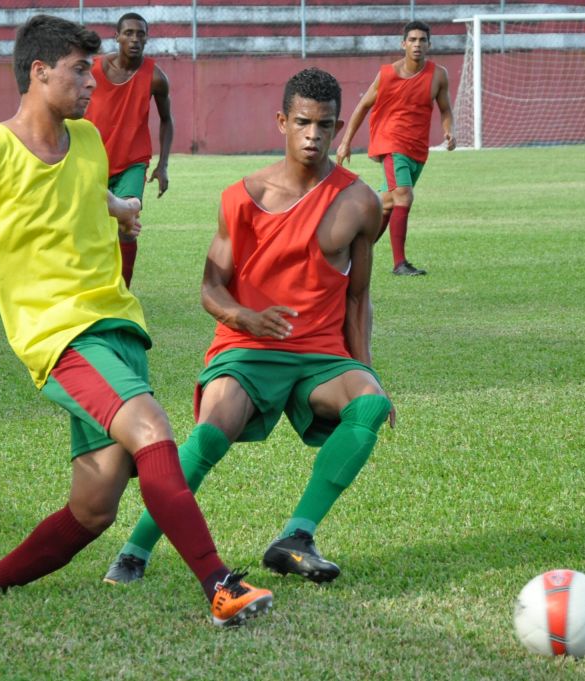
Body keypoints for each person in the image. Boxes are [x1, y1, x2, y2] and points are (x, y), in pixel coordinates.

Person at [0, 14, 271, 627]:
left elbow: (91, 192)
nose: (92, 82)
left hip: (117, 324)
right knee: (152, 429)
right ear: (38, 72)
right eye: (78, 70)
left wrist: (122, 210)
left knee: (93, 509)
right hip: (59, 335)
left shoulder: (86, 140)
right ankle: (219, 585)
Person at [103, 68, 394, 587]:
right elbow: (211, 288)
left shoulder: (361, 202)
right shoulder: (242, 196)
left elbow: (359, 296)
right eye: (302, 122)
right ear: (282, 121)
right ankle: (134, 550)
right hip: (245, 347)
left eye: (325, 125)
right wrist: (245, 317)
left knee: (369, 403)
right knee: (210, 436)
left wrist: (365, 370)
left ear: (338, 126)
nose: (313, 135)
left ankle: (296, 537)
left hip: (321, 356)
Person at [336, 20, 455, 277]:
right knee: (404, 196)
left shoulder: (438, 75)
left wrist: (449, 130)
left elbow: (445, 109)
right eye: (412, 40)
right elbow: (363, 106)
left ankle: (350, 253)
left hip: (417, 149)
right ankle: (399, 263)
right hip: (391, 143)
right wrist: (345, 142)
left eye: (422, 40)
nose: (417, 44)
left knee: (388, 204)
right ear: (403, 44)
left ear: (429, 45)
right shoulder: (388, 74)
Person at [84, 12, 173, 288]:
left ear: (147, 39)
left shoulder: (156, 77)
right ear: (117, 36)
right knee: (86, 228)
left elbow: (167, 120)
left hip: (132, 163)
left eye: (140, 34)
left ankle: (123, 291)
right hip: (93, 161)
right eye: (129, 33)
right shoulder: (92, 70)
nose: (135, 39)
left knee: (128, 224)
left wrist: (163, 164)